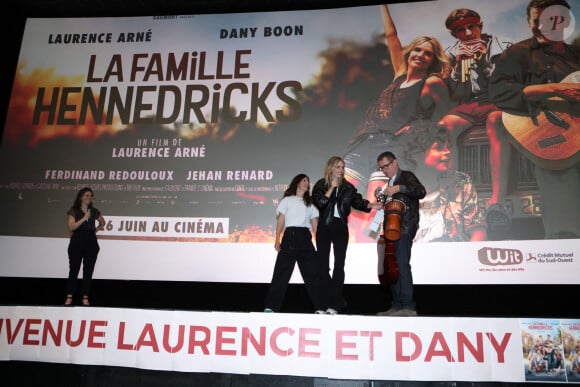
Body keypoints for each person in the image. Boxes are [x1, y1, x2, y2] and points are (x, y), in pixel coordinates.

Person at [344, 3, 451, 242]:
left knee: (375, 208)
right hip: (361, 143)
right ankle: (350, 253)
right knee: (344, 202)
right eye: (418, 50)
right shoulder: (400, 73)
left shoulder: (431, 83)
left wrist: (419, 127)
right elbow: (391, 35)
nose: (421, 55)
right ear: (410, 51)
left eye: (428, 53)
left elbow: (447, 118)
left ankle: (372, 250)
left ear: (433, 60)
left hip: (388, 149)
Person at [489, 0, 580, 239]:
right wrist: (555, 89)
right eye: (535, 21)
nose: (539, 27)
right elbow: (499, 93)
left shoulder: (577, 55)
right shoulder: (518, 53)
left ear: (565, 22)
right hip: (550, 137)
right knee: (566, 226)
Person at [436, 8, 511, 228]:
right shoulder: (451, 53)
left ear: (480, 25)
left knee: (496, 121)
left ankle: (497, 200)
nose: (468, 33)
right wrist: (459, 67)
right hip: (469, 105)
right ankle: (453, 200)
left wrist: (484, 64)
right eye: (461, 30)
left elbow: (508, 85)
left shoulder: (503, 46)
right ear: (454, 34)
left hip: (496, 102)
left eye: (472, 26)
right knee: (443, 128)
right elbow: (457, 95)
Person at [312, 156, 381, 314]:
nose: (341, 170)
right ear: (331, 168)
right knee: (322, 266)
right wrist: (331, 188)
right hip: (324, 226)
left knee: (339, 266)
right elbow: (320, 203)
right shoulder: (320, 185)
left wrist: (371, 205)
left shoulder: (348, 187)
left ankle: (334, 305)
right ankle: (325, 303)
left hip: (340, 227)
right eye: (338, 167)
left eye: (343, 167)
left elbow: (358, 201)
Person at [399, 125, 487, 242]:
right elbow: (373, 232)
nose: (448, 152)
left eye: (449, 147)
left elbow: (478, 231)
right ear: (417, 155)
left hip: (453, 257)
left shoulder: (460, 183)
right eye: (439, 148)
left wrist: (466, 257)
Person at [263, 174, 326, 314]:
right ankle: (271, 307)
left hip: (305, 237)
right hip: (290, 236)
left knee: (313, 274)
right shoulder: (287, 200)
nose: (307, 183)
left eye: (308, 181)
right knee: (281, 273)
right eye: (304, 180)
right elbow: (280, 221)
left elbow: (315, 225)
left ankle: (320, 307)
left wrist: (321, 246)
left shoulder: (310, 203)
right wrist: (277, 239)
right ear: (297, 182)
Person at [375, 151, 426, 316]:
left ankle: (409, 307)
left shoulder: (406, 176)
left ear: (395, 162)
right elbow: (390, 206)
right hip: (390, 228)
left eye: (386, 166)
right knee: (392, 267)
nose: (384, 170)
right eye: (381, 168)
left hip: (404, 228)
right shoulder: (388, 182)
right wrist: (380, 201)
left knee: (402, 265)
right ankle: (397, 305)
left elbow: (420, 191)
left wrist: (399, 188)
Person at [64, 187, 105, 306]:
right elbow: (71, 227)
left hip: (91, 243)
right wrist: (84, 218)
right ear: (81, 197)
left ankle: (85, 297)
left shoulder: (94, 210)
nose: (89, 197)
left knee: (88, 271)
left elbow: (103, 222)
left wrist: (95, 230)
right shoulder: (74, 210)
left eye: (91, 196)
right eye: (86, 195)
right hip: (77, 241)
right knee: (74, 270)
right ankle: (69, 297)